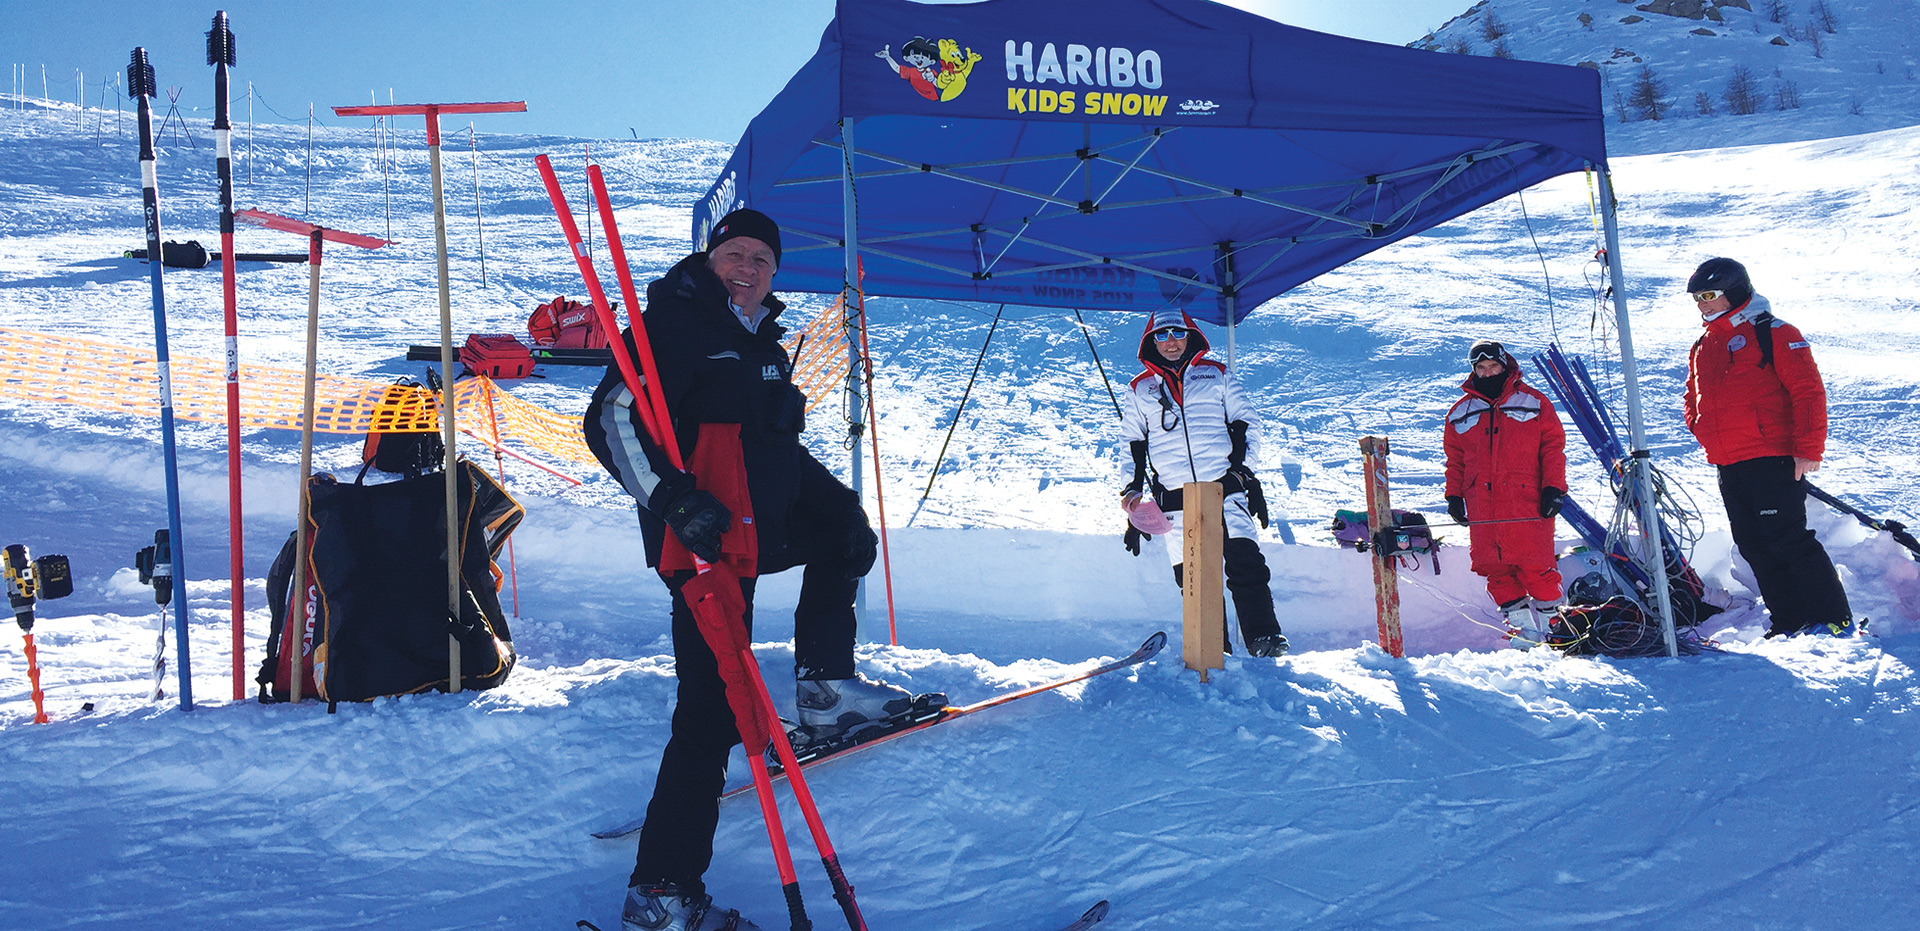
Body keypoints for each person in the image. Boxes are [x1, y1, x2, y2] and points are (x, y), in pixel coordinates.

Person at [584, 208, 920, 931]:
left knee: (843, 535)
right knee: (711, 708)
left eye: (761, 259)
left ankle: (825, 684)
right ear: (711, 259)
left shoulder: (765, 340)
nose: (747, 267)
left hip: (756, 521)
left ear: (774, 272)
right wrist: (674, 501)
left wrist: (840, 510)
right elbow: (609, 421)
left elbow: (775, 447)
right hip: (700, 540)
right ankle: (662, 893)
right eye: (735, 253)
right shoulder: (670, 323)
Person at [1682, 257, 1853, 637]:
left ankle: (1834, 617)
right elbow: (1693, 396)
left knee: (1787, 538)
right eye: (1697, 298)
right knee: (1753, 543)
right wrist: (1701, 427)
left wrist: (1809, 449)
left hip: (1772, 456)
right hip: (1728, 461)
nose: (1702, 303)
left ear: (1735, 290)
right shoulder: (1705, 343)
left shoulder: (1773, 332)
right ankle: (1789, 620)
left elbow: (1808, 392)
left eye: (1709, 294)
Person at [1117, 310, 1289, 658]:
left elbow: (1246, 423)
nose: (1170, 342)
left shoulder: (1217, 374)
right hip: (1174, 500)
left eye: (1177, 333)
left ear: (1190, 334)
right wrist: (1131, 494)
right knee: (1194, 579)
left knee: (1245, 564)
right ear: (1150, 341)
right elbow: (1131, 443)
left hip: (1224, 490)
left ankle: (1264, 639)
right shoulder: (1140, 389)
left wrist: (1244, 473)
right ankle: (1213, 649)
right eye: (1161, 336)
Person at [1442, 339, 1568, 649]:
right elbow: (1455, 459)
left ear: (1504, 365)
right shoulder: (1460, 412)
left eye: (1493, 366)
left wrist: (1554, 487)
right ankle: (1524, 632)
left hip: (1526, 502)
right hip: (1482, 506)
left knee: (1536, 566)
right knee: (1494, 567)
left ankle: (1557, 631)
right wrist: (1454, 496)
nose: (1487, 373)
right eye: (1481, 368)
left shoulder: (1534, 402)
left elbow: (1553, 448)